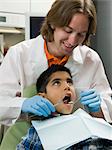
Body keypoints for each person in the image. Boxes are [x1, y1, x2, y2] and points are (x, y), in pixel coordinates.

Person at [0, 0, 112, 127]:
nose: (73, 41)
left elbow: (107, 110)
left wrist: (97, 108)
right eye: (68, 31)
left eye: (81, 34)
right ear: (53, 24)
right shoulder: (19, 54)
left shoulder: (91, 60)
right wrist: (23, 104)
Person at [16, 64, 112, 150]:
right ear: (42, 97)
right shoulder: (38, 133)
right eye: (56, 83)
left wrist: (97, 113)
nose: (67, 86)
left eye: (69, 82)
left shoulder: (87, 119)